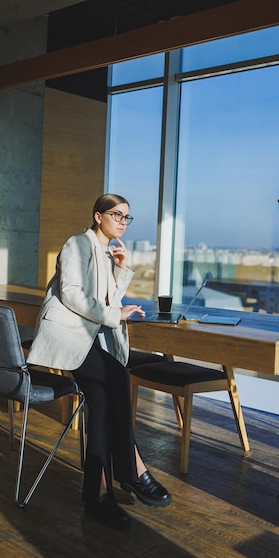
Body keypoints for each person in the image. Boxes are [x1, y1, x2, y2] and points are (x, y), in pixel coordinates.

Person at [28, 193, 172, 530]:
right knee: (118, 378)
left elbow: (108, 301)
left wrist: (120, 270)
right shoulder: (77, 244)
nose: (123, 222)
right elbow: (73, 294)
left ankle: (98, 495)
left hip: (88, 340)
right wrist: (113, 314)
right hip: (68, 338)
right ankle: (131, 467)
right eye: (117, 215)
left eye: (127, 217)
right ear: (98, 216)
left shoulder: (104, 253)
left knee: (103, 398)